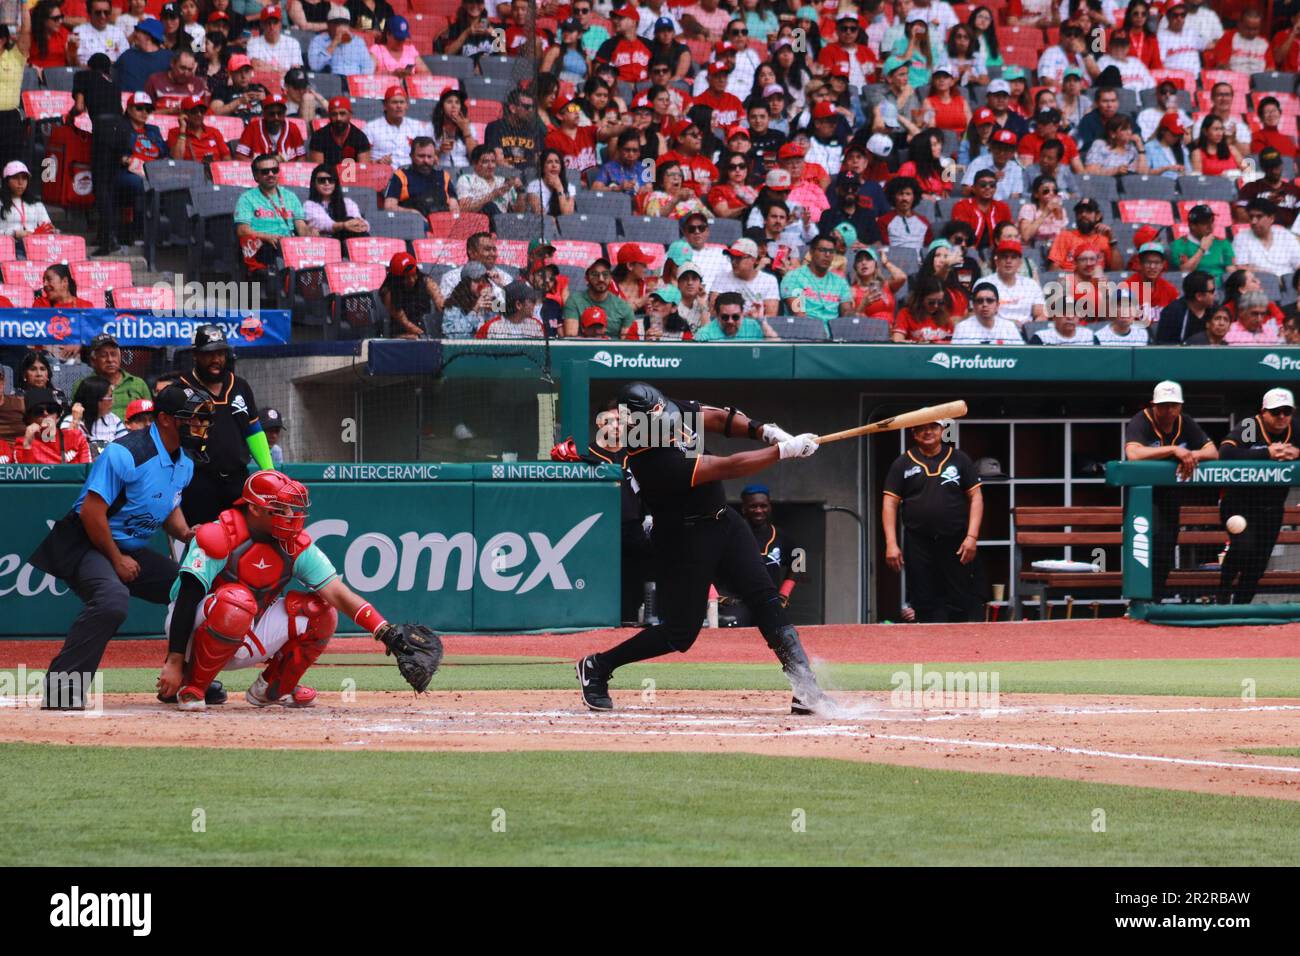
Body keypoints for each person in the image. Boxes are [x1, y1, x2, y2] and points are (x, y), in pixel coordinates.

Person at [576, 382, 828, 714]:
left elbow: (716, 418)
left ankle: (805, 688)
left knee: (766, 600)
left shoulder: (665, 409)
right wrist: (783, 452)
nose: (665, 419)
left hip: (723, 522)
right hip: (684, 540)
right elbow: (726, 466)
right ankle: (598, 666)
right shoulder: (649, 460)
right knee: (680, 634)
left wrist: (764, 432)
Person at [160, 470, 424, 710]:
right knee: (237, 602)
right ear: (254, 508)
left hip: (245, 630)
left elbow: (338, 593)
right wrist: (174, 661)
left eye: (293, 509)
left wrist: (385, 632)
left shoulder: (294, 545)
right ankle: (193, 686)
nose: (290, 516)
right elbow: (187, 597)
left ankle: (273, 688)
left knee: (321, 611)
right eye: (281, 509)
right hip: (193, 630)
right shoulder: (220, 533)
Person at [27, 384, 209, 709]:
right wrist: (117, 559)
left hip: (128, 548)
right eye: (192, 418)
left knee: (192, 587)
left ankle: (185, 678)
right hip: (85, 542)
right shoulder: (126, 452)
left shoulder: (186, 461)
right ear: (165, 419)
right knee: (112, 600)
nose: (200, 425)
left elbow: (166, 502)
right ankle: (61, 690)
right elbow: (91, 513)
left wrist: (185, 533)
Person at [882, 417, 985, 623]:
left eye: (932, 427)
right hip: (918, 541)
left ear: (942, 430)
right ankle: (929, 650)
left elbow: (976, 497)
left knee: (959, 599)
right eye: (921, 429)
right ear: (913, 433)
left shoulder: (960, 459)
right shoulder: (903, 463)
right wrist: (891, 544)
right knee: (923, 600)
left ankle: (959, 649)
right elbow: (889, 503)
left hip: (955, 540)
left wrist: (972, 537)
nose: (927, 432)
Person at [1124, 380, 1218, 599]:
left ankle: (1154, 600)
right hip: (1142, 495)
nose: (1169, 410)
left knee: (1166, 547)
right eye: (1164, 405)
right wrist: (1174, 450)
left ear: (1180, 406)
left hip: (1169, 494)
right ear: (1153, 405)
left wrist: (1193, 455)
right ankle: (1137, 601)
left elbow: (1213, 452)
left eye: (1173, 405)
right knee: (1145, 547)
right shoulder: (1141, 420)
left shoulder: (1184, 422)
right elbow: (1134, 454)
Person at [176, 324, 275, 525]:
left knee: (242, 542)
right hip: (199, 481)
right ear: (195, 355)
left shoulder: (240, 385)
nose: (216, 360)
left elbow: (253, 430)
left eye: (220, 353)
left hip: (237, 480)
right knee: (203, 543)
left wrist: (269, 471)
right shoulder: (181, 388)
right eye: (209, 354)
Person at [1217, 388, 1298, 605]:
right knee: (1244, 547)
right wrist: (1267, 453)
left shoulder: (1295, 429)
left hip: (1271, 509)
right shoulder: (1252, 427)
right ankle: (1222, 595)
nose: (1282, 416)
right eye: (1275, 412)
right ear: (1263, 412)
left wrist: (1297, 453)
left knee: (1258, 564)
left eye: (1286, 411)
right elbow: (1226, 454)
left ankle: (1241, 608)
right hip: (1239, 504)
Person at [235, 152, 315, 276]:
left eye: (274, 170)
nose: (271, 174)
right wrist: (267, 236)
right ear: (256, 176)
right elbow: (242, 230)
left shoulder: (291, 196)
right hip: (264, 246)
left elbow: (301, 227)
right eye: (265, 172)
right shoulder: (246, 198)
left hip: (290, 245)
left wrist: (310, 232)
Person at [780, 232, 853, 324]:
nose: (827, 255)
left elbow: (846, 312)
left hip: (834, 333)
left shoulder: (840, 282)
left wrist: (858, 311)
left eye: (831, 251)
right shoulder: (794, 277)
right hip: (803, 331)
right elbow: (798, 313)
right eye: (822, 250)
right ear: (811, 252)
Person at [14, 388, 91, 464]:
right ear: (29, 419)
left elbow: (88, 471)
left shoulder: (76, 437)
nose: (46, 414)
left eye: (51, 409)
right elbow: (26, 474)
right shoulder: (22, 443)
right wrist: (27, 446)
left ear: (57, 416)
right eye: (38, 411)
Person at [563, 259, 636, 338]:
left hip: (614, 350)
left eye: (605, 274)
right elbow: (571, 338)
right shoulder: (575, 301)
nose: (601, 279)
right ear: (586, 278)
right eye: (595, 274)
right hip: (583, 349)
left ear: (611, 277)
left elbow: (628, 343)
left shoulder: (623, 307)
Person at [82, 332, 149, 418]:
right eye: (103, 355)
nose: (110, 360)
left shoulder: (139, 384)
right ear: (93, 360)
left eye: (113, 354)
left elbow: (149, 417)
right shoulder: (85, 385)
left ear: (120, 357)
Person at [1233, 198, 1300, 278]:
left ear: (1271, 218)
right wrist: (1270, 276)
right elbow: (1240, 268)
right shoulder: (1241, 238)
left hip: (1289, 283)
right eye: (1251, 217)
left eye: (1259, 217)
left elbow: (1298, 264)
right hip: (1259, 283)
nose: (1253, 221)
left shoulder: (1285, 235)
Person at [1235, 148, 1300, 230]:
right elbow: (1241, 216)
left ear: (1282, 165)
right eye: (1270, 168)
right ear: (1262, 168)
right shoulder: (1250, 188)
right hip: (1259, 232)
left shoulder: (1295, 190)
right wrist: (1266, 204)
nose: (1274, 171)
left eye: (1276, 167)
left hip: (1289, 235)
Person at [455, 144, 523, 217]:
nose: (491, 166)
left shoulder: (503, 181)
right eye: (485, 162)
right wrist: (493, 195)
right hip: (478, 224)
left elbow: (519, 212)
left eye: (493, 161)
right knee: (489, 206)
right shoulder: (466, 180)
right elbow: (464, 209)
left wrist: (520, 191)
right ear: (474, 164)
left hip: (502, 224)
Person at [485, 86, 544, 170]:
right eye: (526, 107)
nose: (531, 110)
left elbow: (539, 161)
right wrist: (514, 174)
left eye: (532, 107)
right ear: (513, 108)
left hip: (528, 177)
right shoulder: (495, 127)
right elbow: (498, 160)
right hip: (502, 175)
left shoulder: (536, 131)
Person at [234, 92, 305, 162]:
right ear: (264, 114)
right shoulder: (252, 128)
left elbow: (302, 157)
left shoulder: (293, 128)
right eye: (272, 114)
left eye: (280, 113)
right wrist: (262, 165)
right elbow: (240, 157)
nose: (276, 117)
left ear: (285, 113)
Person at [303, 162, 368, 237]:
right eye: (322, 180)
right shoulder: (309, 205)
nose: (327, 183)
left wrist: (363, 225)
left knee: (352, 222)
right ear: (314, 184)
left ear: (335, 183)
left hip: (350, 236)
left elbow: (358, 219)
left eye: (330, 180)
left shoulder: (347, 202)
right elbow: (324, 224)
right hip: (328, 241)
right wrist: (344, 225)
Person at [306, 5, 372, 75]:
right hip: (331, 81)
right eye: (337, 23)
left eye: (344, 23)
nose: (341, 26)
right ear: (329, 25)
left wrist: (358, 82)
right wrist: (334, 43)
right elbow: (314, 66)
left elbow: (368, 67)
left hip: (353, 81)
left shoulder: (358, 41)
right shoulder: (318, 40)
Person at [1155, 270, 1217, 344]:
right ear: (1199, 296)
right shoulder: (1172, 313)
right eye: (1212, 291)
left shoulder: (1215, 310)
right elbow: (1164, 346)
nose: (1215, 294)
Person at [69, 374, 126, 453]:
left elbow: (125, 448)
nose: (113, 401)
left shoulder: (114, 420)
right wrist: (75, 422)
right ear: (95, 399)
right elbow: (67, 451)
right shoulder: (70, 420)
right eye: (109, 397)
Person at [306, 96, 371, 166]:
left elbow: (363, 169)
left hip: (353, 176)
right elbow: (318, 170)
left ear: (350, 115)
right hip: (327, 175)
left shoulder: (360, 137)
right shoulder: (318, 137)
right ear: (329, 116)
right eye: (334, 114)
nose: (338, 118)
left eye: (342, 113)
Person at [952, 280, 1023, 344]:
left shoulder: (1009, 327)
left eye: (990, 301)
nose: (985, 304)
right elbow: (955, 356)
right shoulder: (962, 328)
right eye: (980, 301)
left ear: (997, 305)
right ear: (973, 305)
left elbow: (1021, 354)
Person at [167, 93, 230, 162]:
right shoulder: (174, 133)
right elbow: (177, 159)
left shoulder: (214, 132)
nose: (199, 114)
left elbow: (226, 158)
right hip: (190, 171)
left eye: (202, 111)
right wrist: (182, 131)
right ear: (184, 113)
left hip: (213, 170)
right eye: (194, 111)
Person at [0, 161, 55, 239]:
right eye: (16, 178)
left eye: (24, 178)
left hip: (34, 246)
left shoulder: (36, 204)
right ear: (7, 181)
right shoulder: (1, 202)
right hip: (7, 247)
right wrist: (13, 233)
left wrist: (51, 230)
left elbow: (47, 227)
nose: (20, 182)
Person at [476, 280, 547, 339]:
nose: (534, 305)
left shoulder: (536, 326)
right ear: (518, 305)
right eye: (532, 301)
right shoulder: (489, 328)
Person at [73, 0, 128, 64]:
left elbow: (126, 59)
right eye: (98, 13)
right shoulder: (79, 31)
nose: (103, 16)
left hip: (113, 71)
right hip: (88, 72)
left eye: (106, 12)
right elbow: (74, 64)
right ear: (89, 13)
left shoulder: (118, 32)